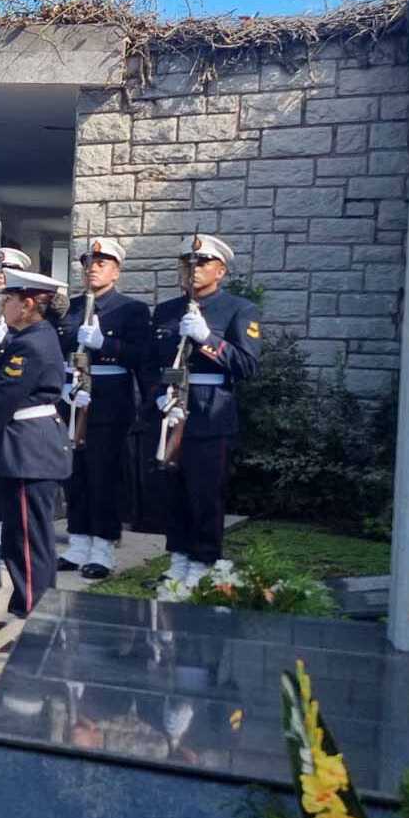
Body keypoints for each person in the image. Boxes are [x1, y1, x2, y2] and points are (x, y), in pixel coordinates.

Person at [0, 268, 71, 619]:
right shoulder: (30, 339)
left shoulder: (32, 343)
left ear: (27, 306)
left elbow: (0, 403)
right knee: (20, 535)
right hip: (24, 449)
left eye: (9, 300)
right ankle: (26, 603)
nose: (4, 305)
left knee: (28, 539)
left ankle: (33, 610)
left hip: (27, 452)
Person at [150, 233, 261, 584]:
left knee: (205, 492)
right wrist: (157, 393)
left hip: (210, 412)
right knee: (174, 490)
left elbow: (247, 365)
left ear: (221, 271)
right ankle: (179, 562)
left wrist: (207, 339)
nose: (192, 269)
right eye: (187, 263)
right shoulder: (167, 310)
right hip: (172, 408)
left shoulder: (239, 310)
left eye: (201, 263)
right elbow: (151, 361)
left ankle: (203, 565)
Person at [58, 238, 152, 579]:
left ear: (116, 270)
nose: (93, 268)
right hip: (72, 397)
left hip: (109, 402)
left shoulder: (132, 310)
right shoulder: (70, 308)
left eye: (102, 262)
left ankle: (103, 547)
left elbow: (142, 356)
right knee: (75, 475)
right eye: (89, 262)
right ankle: (78, 543)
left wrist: (105, 343)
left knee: (104, 476)